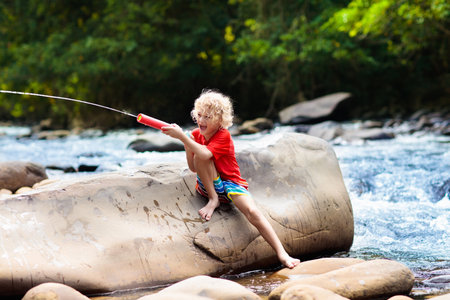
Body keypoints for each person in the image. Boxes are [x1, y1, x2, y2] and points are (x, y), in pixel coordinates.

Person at [161, 89, 300, 269]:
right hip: (210, 185)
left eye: (207, 117)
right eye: (199, 115)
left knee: (252, 212)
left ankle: (283, 254)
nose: (201, 121)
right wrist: (187, 141)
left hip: (232, 183)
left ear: (220, 120)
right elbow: (194, 167)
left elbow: (205, 153)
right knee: (200, 157)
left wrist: (182, 137)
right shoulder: (196, 134)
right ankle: (213, 200)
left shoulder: (223, 135)